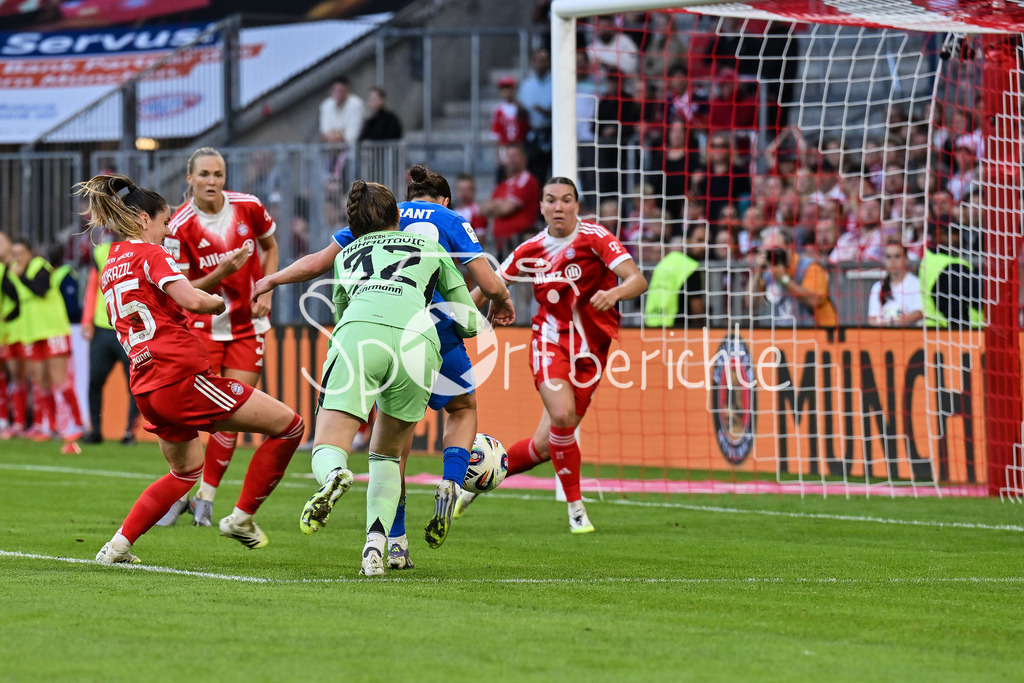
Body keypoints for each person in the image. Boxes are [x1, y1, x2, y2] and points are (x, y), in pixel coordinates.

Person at [252, 165, 514, 568]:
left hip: (361, 333)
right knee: (433, 427)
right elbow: (470, 313)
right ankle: (450, 479)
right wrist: (496, 301)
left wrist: (270, 282)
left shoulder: (354, 245)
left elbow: (328, 286)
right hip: (425, 336)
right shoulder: (445, 228)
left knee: (339, 444)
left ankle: (386, 536)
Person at [75, 174, 303, 564]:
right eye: (165, 223)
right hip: (178, 376)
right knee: (290, 425)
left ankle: (116, 547)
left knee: (184, 472)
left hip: (146, 385)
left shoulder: (113, 260)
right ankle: (242, 518)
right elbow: (190, 300)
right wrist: (216, 303)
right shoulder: (152, 253)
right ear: (144, 220)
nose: (167, 231)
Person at [456, 177, 647, 533]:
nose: (558, 206)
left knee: (546, 445)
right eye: (551, 200)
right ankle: (577, 511)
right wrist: (454, 317)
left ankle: (480, 478)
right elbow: (491, 283)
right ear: (541, 207)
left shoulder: (596, 238)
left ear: (577, 205)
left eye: (566, 200)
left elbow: (637, 279)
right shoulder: (531, 249)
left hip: (591, 350)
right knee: (561, 414)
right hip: (550, 340)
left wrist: (616, 293)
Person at [158, 147, 280, 527]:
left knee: (233, 413)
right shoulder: (178, 226)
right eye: (205, 175)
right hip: (203, 327)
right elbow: (182, 287)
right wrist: (222, 271)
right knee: (195, 417)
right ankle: (180, 491)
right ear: (190, 179)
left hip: (247, 327)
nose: (213, 181)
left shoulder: (249, 207)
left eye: (219, 174)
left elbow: (271, 246)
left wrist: (268, 289)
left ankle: (205, 499)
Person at [6, 240, 85, 444]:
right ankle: (51, 426)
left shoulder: (40, 267)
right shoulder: (14, 274)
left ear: (31, 253)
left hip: (53, 330)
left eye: (21, 252)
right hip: (32, 334)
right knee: (40, 381)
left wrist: (21, 276)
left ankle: (77, 423)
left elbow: (39, 289)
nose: (18, 257)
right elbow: (17, 302)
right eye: (14, 253)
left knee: (59, 379)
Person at [81, 234, 140, 445]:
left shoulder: (139, 250)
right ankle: (95, 430)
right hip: (102, 327)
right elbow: (91, 287)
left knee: (134, 384)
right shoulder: (100, 251)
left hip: (130, 328)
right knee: (94, 380)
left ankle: (129, 432)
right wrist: (87, 319)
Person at [750, 226, 837, 328]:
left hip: (815, 335)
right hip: (780, 335)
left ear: (790, 248)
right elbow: (751, 303)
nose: (772, 255)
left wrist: (783, 279)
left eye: (776, 249)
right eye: (767, 251)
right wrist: (757, 272)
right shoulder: (767, 273)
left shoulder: (811, 267)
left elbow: (814, 300)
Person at [920, 216, 982, 329]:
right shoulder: (948, 266)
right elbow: (979, 294)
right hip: (953, 333)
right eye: (950, 233)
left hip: (937, 329)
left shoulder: (929, 259)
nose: (956, 238)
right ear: (936, 235)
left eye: (957, 233)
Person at [481, 143, 541, 255]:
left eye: (515, 156)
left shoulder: (527, 180)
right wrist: (501, 204)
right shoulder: (503, 184)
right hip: (501, 244)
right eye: (508, 156)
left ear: (524, 158)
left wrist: (496, 205)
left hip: (519, 244)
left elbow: (506, 209)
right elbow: (483, 209)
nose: (511, 160)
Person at [868, 240, 924, 327]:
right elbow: (872, 319)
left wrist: (893, 323)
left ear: (906, 259)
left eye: (897, 256)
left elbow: (919, 313)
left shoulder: (917, 284)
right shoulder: (877, 287)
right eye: (888, 257)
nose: (892, 261)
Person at [518, 47, 553, 184]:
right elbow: (521, 114)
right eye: (537, 61)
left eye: (543, 60)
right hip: (533, 133)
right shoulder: (526, 85)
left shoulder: (556, 83)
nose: (540, 64)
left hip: (551, 131)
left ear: (549, 62)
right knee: (536, 173)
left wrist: (544, 111)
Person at [490, 75, 530, 183]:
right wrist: (498, 157)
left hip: (519, 147)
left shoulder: (520, 109)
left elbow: (525, 130)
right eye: (503, 88)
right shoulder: (498, 110)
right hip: (505, 147)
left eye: (509, 88)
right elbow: (496, 136)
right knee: (504, 176)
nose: (506, 91)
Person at [0, 232, 19, 438]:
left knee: (18, 377)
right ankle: (5, 420)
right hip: (6, 329)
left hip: (14, 329)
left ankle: (19, 422)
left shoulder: (13, 268)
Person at [319, 76, 365, 145]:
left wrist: (337, 136)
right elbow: (325, 132)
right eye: (336, 91)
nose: (338, 94)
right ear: (331, 91)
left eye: (341, 91)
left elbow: (352, 135)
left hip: (351, 150)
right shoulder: (326, 105)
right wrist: (337, 135)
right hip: (329, 149)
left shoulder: (356, 104)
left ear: (347, 91)